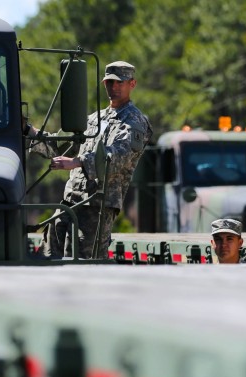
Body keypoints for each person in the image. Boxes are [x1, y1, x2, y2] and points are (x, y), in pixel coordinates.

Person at [26, 61, 153, 259]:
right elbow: (62, 146)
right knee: (50, 256)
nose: (114, 87)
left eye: (120, 82)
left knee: (83, 262)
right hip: (70, 200)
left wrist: (78, 162)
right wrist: (30, 132)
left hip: (97, 205)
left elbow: (119, 157)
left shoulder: (134, 121)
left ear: (132, 84)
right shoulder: (95, 119)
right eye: (110, 83)